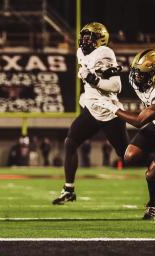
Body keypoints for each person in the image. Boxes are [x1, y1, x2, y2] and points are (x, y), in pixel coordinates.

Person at [52, 22, 129, 205]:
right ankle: (69, 189)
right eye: (84, 37)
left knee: (128, 156)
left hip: (109, 111)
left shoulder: (104, 53)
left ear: (100, 40)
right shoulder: (81, 52)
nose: (85, 40)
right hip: (93, 109)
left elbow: (116, 86)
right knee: (70, 142)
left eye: (90, 38)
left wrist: (93, 79)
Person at [95, 49, 155, 220]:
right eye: (137, 72)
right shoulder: (137, 80)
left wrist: (112, 107)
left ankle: (152, 204)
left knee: (152, 173)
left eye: (142, 74)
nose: (137, 77)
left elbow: (140, 122)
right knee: (130, 156)